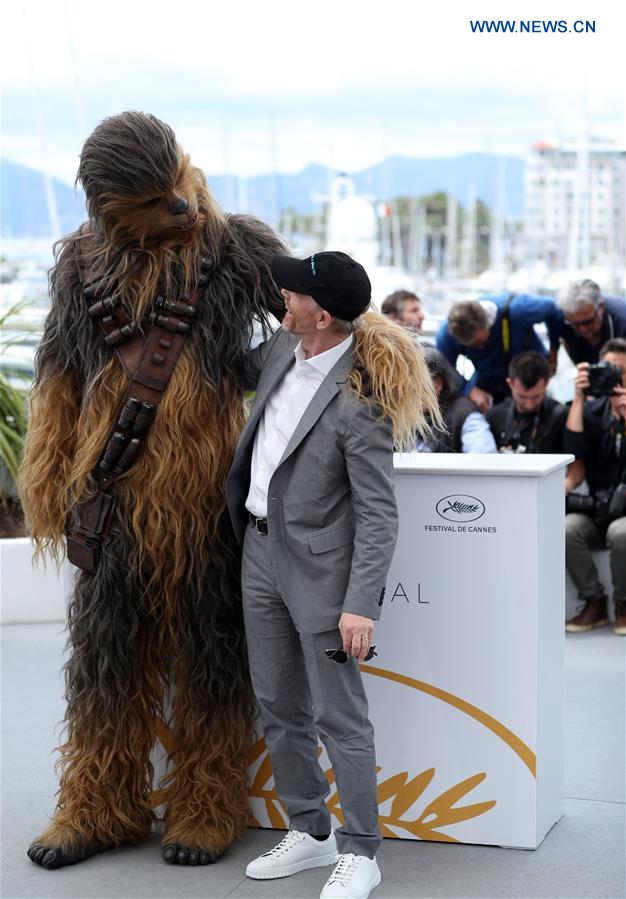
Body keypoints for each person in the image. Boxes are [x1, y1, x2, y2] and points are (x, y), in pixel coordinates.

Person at [226, 251, 440, 899]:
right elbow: (217, 360)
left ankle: (361, 850)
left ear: (321, 313)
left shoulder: (360, 401)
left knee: (340, 718)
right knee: (278, 704)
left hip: (322, 579)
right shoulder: (275, 355)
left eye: (291, 292)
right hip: (257, 554)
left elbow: (378, 514)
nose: (280, 296)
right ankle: (312, 830)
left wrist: (360, 604)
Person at [563, 338, 626, 635]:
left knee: (621, 531)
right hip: (600, 509)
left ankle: (623, 604)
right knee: (566, 528)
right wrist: (578, 397)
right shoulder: (593, 410)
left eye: (623, 372)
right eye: (611, 371)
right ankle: (594, 601)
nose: (617, 379)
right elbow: (574, 451)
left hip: (622, 517)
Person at [436, 293, 562, 413]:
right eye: (473, 346)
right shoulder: (446, 335)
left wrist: (554, 349)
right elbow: (445, 371)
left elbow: (554, 310)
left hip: (528, 371)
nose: (481, 348)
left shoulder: (519, 309)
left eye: (481, 342)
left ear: (487, 324)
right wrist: (470, 390)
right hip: (487, 377)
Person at [487, 351, 569, 455]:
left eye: (536, 396)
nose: (529, 404)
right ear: (510, 383)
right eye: (522, 397)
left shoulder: (562, 416)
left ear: (547, 383)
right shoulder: (495, 416)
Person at [420, 347, 497, 452]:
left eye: (415, 386)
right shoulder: (400, 415)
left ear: (438, 384)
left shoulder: (466, 415)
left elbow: (484, 459)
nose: (406, 392)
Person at [557, 279, 626, 365]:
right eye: (574, 324)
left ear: (601, 307)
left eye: (588, 322)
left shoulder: (622, 319)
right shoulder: (561, 319)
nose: (582, 329)